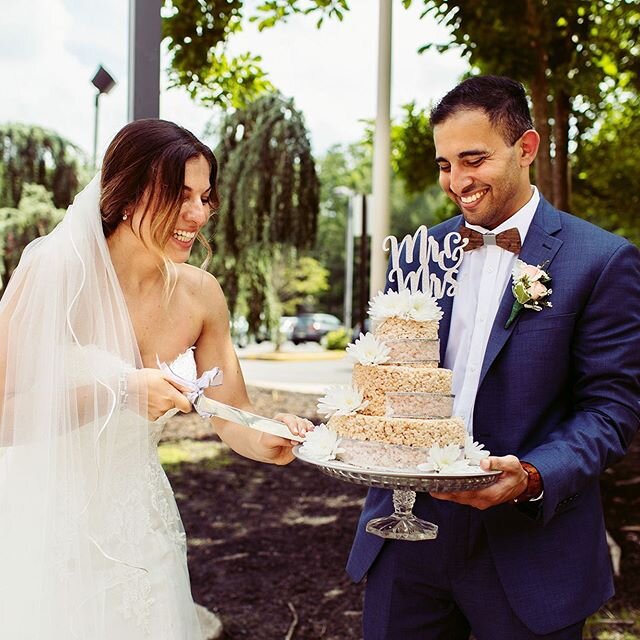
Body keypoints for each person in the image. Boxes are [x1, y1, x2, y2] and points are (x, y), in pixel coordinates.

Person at [347, 76, 640, 639]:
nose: (457, 181)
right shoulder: (420, 253)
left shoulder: (602, 261)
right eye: (444, 164)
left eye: (473, 159)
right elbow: (386, 372)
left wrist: (531, 477)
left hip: (531, 545)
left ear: (525, 149)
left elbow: (612, 411)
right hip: (407, 536)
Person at [0, 119, 311, 639]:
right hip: (44, 525)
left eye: (205, 197)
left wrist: (270, 439)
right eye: (179, 195)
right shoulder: (53, 273)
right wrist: (117, 391)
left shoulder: (201, 294)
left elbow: (233, 416)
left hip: (142, 526)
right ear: (126, 193)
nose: (197, 214)